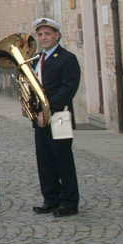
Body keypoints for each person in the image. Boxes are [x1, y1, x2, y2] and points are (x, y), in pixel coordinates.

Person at [30, 17, 80, 218]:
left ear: (57, 35)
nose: (44, 38)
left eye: (48, 34)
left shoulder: (67, 58)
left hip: (58, 116)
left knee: (62, 160)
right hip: (39, 117)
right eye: (40, 34)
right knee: (44, 160)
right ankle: (50, 199)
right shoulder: (36, 59)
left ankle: (69, 202)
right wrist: (30, 107)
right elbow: (32, 88)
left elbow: (68, 88)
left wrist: (47, 109)